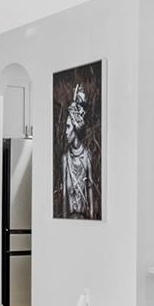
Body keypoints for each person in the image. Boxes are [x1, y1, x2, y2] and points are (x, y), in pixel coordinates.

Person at [57, 84, 97, 219]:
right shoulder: (65, 158)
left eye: (68, 127)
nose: (66, 131)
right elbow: (64, 197)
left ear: (75, 127)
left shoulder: (86, 156)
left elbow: (90, 189)